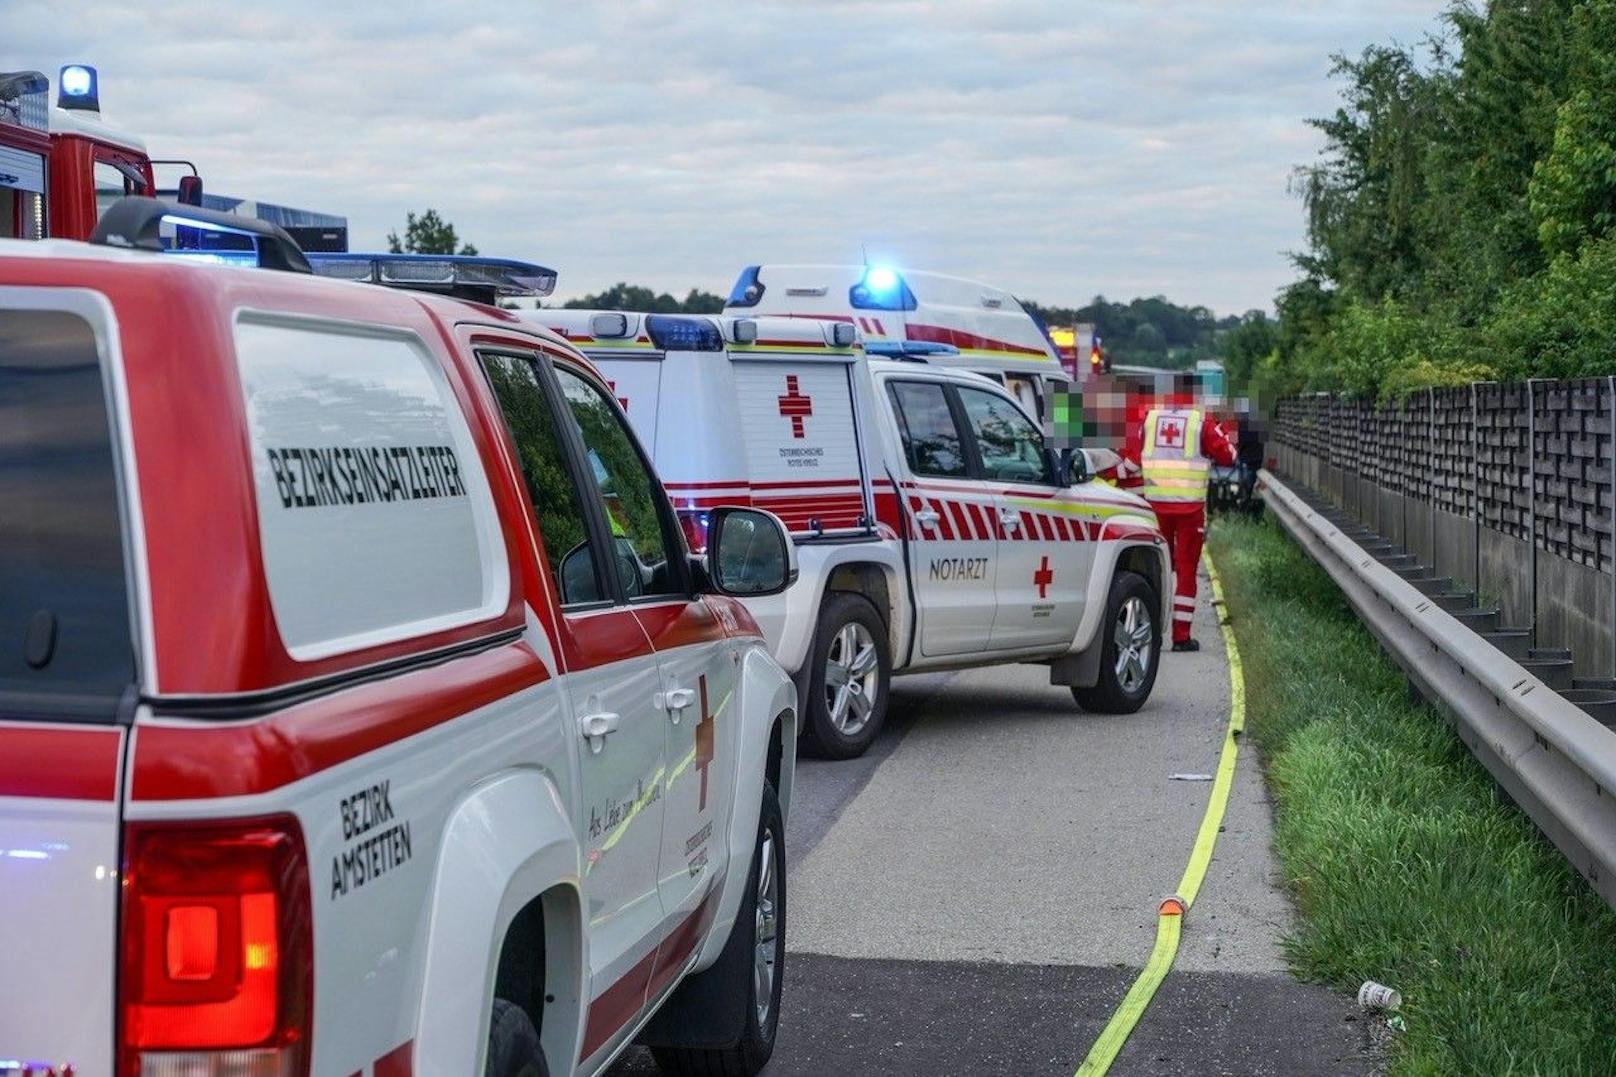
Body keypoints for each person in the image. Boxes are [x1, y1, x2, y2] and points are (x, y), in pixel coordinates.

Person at [1118, 393, 1236, 651]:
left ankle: (1148, 629)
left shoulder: (1150, 419)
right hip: (1189, 508)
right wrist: (1226, 429)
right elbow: (1228, 456)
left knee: (1154, 567)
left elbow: (1132, 460)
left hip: (1155, 506)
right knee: (1185, 572)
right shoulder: (1200, 423)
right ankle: (1181, 637)